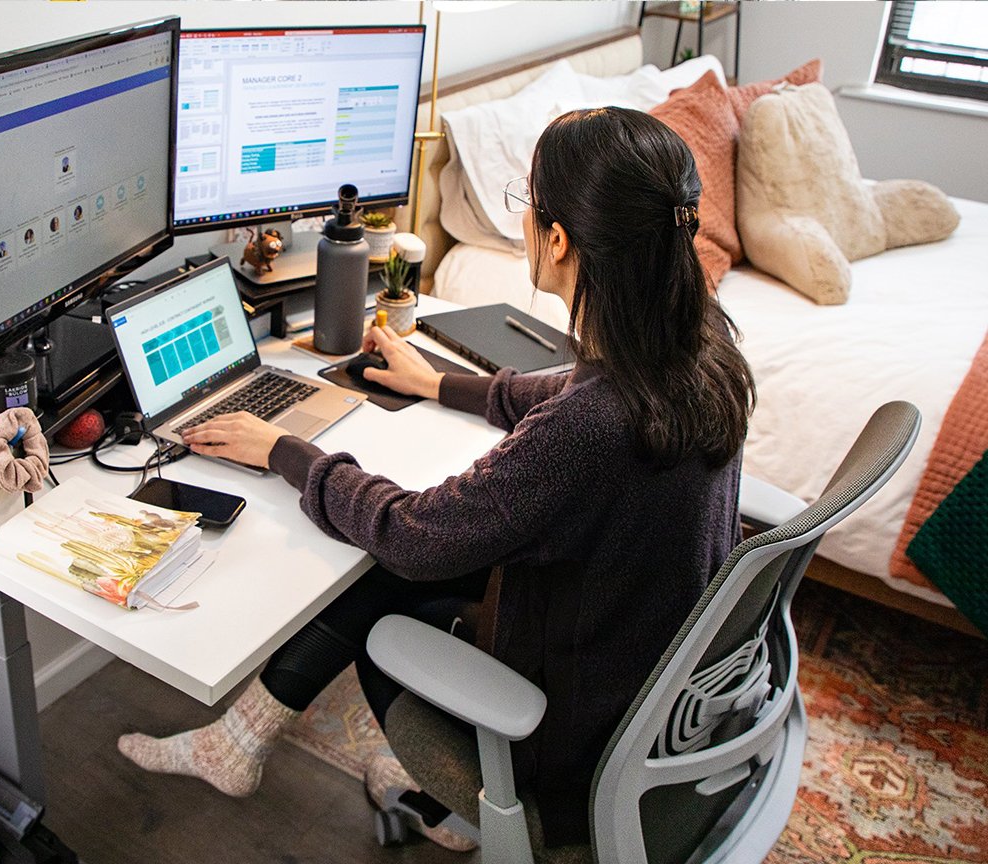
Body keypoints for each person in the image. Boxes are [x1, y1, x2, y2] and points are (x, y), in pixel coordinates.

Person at [118, 108, 755, 853]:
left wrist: (284, 450)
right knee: (408, 553)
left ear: (556, 239)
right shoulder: (699, 344)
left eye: (528, 205)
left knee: (383, 580)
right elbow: (580, 398)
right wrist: (443, 384)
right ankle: (244, 738)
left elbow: (413, 535)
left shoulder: (592, 429)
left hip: (568, 746)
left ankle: (280, 750)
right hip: (639, 680)